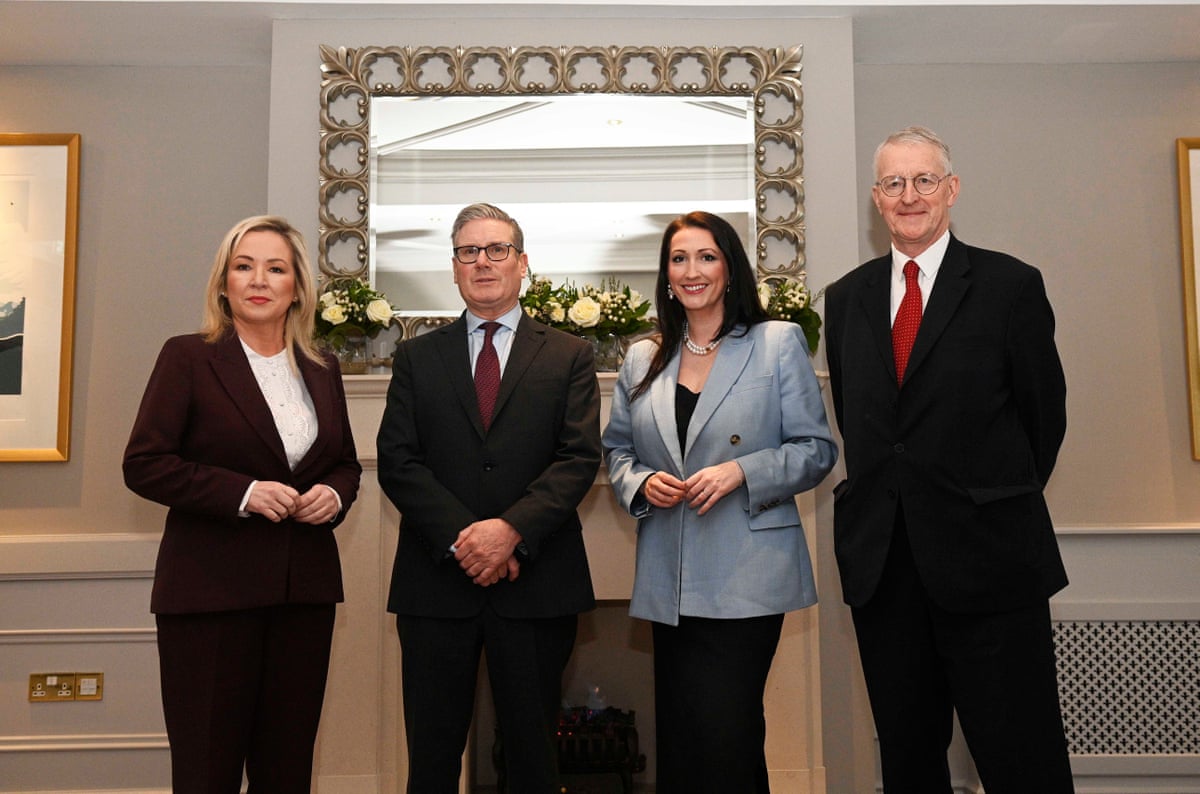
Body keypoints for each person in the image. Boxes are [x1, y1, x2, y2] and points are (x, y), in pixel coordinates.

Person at [823, 126, 1073, 793]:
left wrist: (987, 502)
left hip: (990, 563)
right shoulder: (845, 299)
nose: (909, 196)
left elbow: (1043, 420)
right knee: (908, 762)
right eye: (893, 183)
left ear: (951, 189)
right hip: (887, 570)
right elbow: (863, 424)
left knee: (1022, 758)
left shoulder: (1010, 286)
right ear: (877, 198)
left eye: (924, 180)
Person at [122, 215, 362, 793]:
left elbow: (345, 464)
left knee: (287, 770)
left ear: (297, 286)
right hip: (209, 597)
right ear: (224, 283)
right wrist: (245, 493)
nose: (259, 279)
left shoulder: (322, 367)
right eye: (243, 266)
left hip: (302, 595)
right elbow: (144, 464)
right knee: (208, 771)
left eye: (276, 268)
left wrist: (331, 495)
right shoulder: (187, 357)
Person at [603, 211, 837, 793]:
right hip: (669, 574)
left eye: (706, 256)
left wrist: (741, 470)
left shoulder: (776, 342)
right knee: (680, 740)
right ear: (665, 274)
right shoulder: (641, 358)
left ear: (729, 268)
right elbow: (617, 451)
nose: (692, 270)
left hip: (747, 573)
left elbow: (816, 449)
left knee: (727, 734)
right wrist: (640, 484)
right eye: (678, 259)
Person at [376, 202, 601, 793]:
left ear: (522, 263)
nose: (482, 262)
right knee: (430, 760)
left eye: (496, 249)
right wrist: (465, 538)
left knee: (532, 760)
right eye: (468, 251)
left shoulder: (569, 355)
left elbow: (578, 458)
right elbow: (398, 462)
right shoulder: (416, 357)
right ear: (453, 268)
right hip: (435, 586)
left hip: (537, 582)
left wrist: (509, 532)